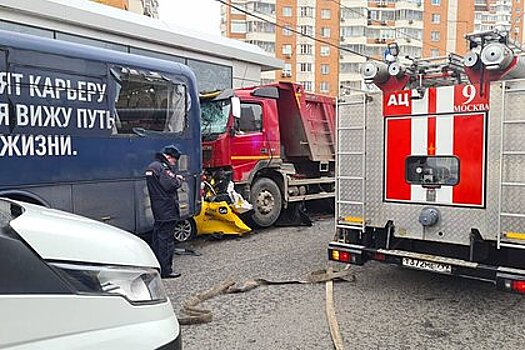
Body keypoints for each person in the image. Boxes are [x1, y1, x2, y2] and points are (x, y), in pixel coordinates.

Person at [145, 145, 184, 279]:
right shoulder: (162, 167)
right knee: (166, 241)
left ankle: (156, 266)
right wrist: (179, 180)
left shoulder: (152, 167)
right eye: (174, 160)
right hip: (167, 209)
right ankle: (166, 270)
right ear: (169, 157)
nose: (174, 163)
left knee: (157, 239)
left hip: (158, 208)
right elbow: (171, 184)